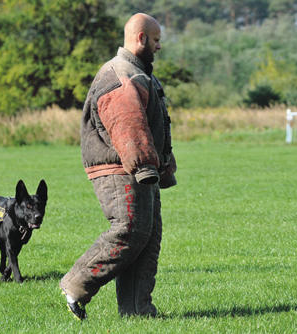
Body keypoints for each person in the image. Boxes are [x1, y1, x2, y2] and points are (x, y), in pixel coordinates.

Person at [60, 13, 177, 320]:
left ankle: (137, 311)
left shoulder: (140, 73)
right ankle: (76, 285)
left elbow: (155, 126)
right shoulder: (120, 73)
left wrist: (164, 165)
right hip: (120, 167)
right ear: (140, 39)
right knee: (129, 232)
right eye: (156, 40)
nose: (159, 47)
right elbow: (128, 125)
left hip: (139, 167)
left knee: (147, 239)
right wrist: (145, 165)